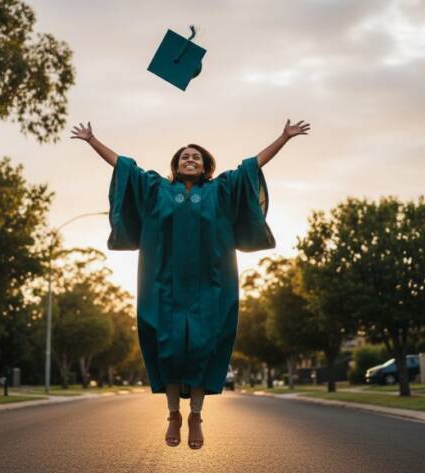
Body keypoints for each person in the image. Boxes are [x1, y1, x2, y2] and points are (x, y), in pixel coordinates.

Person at [71, 119, 310, 449]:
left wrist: (283, 137)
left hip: (211, 285)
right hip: (162, 285)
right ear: (175, 164)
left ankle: (196, 416)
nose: (190, 159)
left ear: (206, 166)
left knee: (202, 349)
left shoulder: (220, 191)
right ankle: (173, 414)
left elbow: (251, 167)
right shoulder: (156, 190)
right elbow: (125, 167)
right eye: (184, 155)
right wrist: (93, 140)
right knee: (167, 350)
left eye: (196, 156)